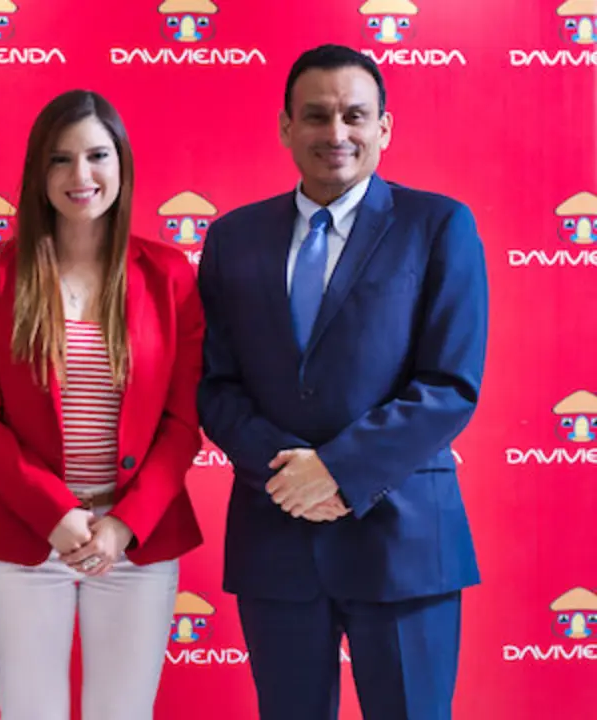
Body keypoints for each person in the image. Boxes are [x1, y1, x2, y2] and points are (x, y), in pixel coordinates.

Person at [197, 44, 488, 720]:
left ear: (384, 127)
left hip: (403, 541)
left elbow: (450, 384)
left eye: (355, 116)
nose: (336, 133)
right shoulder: (233, 238)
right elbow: (216, 385)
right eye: (317, 116)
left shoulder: (439, 226)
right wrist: (289, 474)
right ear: (286, 127)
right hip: (277, 536)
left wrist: (334, 471)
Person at [0, 89, 205, 720]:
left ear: (121, 164)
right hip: (25, 538)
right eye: (61, 160)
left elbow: (183, 421)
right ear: (39, 172)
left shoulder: (169, 274)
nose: (81, 176)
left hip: (135, 543)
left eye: (97, 156)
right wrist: (55, 512)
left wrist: (121, 524)